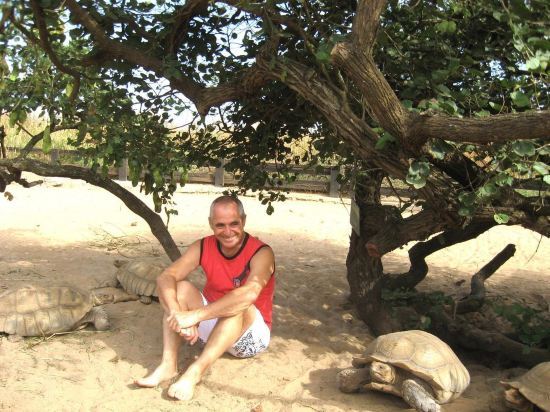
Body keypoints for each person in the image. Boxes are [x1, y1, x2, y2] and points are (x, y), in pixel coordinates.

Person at [135, 195, 275, 401]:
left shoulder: (261, 252)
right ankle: (168, 365)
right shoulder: (203, 246)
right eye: (220, 225)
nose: (228, 231)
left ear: (243, 220)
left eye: (234, 223)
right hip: (215, 326)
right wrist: (177, 314)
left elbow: (249, 294)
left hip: (250, 336)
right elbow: (166, 276)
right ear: (211, 224)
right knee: (180, 288)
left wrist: (195, 316)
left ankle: (195, 373)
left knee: (239, 303)